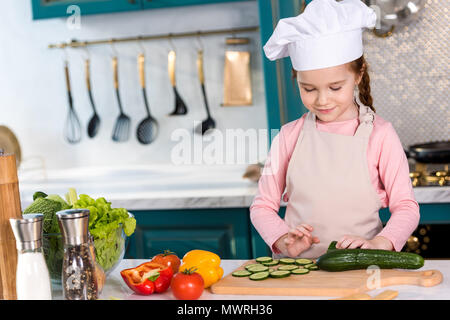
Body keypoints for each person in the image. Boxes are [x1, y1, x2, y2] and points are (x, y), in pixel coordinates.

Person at [250, 0, 420, 259]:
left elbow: (406, 206)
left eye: (335, 87)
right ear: (297, 80)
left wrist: (381, 243)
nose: (322, 100)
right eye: (309, 89)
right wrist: (284, 240)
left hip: (360, 269)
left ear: (358, 75)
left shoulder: (380, 134)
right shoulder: (288, 136)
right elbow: (262, 206)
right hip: (296, 272)